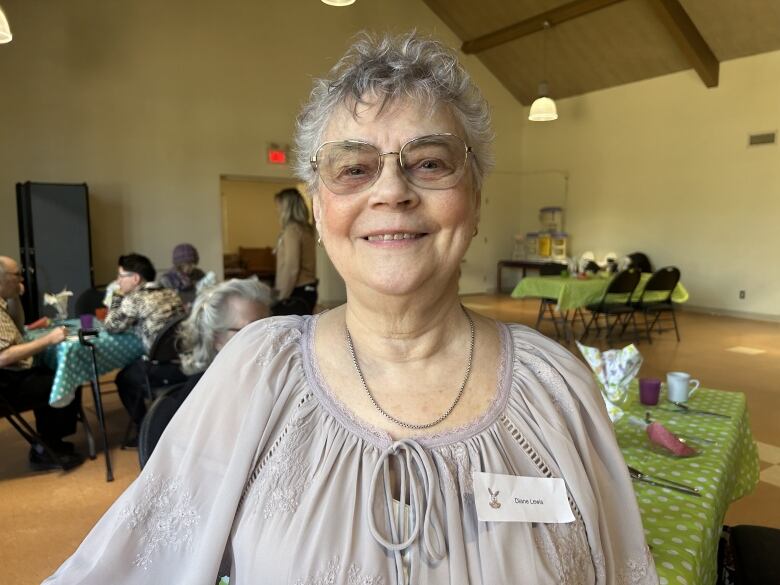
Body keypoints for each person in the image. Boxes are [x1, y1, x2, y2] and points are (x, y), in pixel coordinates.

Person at [44, 33, 657, 583]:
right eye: (354, 167)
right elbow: (135, 563)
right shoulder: (257, 370)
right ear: (317, 208)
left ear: (475, 200)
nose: (391, 191)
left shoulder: (559, 389)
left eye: (430, 163)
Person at [139, 277, 272, 461]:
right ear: (216, 338)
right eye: (253, 330)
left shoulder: (265, 380)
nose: (272, 337)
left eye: (272, 326)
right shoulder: (200, 400)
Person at [0, 256, 83, 471]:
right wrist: (49, 339)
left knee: (50, 372)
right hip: (4, 385)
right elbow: (3, 357)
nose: (22, 279)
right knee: (65, 378)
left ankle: (49, 441)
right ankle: (47, 449)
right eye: (17, 274)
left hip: (9, 375)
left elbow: (18, 330)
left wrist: (15, 297)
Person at [103, 253, 186, 439]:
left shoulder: (136, 299)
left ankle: (144, 430)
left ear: (135, 278)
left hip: (160, 369)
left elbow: (111, 326)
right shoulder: (171, 293)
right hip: (185, 365)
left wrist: (117, 296)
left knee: (124, 379)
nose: (118, 281)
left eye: (121, 276)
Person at [271, 187, 318, 315]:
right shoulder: (305, 229)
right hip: (308, 290)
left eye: (279, 206)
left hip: (295, 292)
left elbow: (292, 268)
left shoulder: (292, 230)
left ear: (287, 207)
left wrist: (281, 298)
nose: (277, 210)